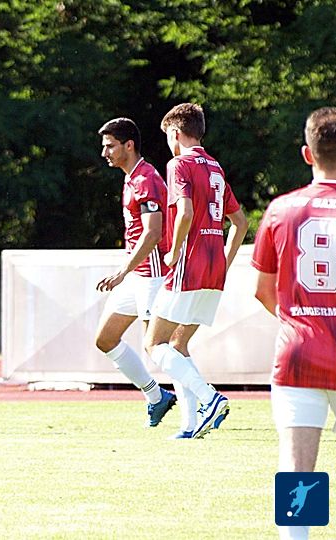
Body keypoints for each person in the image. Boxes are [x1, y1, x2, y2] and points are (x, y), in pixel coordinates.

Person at [252, 106, 336, 540]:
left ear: (308, 154)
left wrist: (299, 320)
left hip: (299, 352)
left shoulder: (281, 209)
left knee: (297, 468)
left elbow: (262, 290)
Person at [143, 103, 248, 439]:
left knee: (153, 343)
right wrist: (225, 261)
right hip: (214, 269)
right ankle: (189, 425)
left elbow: (185, 212)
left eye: (168, 137)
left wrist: (174, 251)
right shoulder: (215, 167)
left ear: (175, 133)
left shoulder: (179, 164)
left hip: (189, 264)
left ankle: (210, 398)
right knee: (177, 344)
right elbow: (241, 222)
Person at [94, 117, 176, 428]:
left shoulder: (146, 179)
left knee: (159, 346)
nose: (105, 153)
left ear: (129, 145)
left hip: (152, 275)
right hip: (137, 275)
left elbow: (153, 233)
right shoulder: (131, 177)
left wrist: (121, 271)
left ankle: (206, 399)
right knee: (105, 339)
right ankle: (156, 397)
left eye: (110, 146)